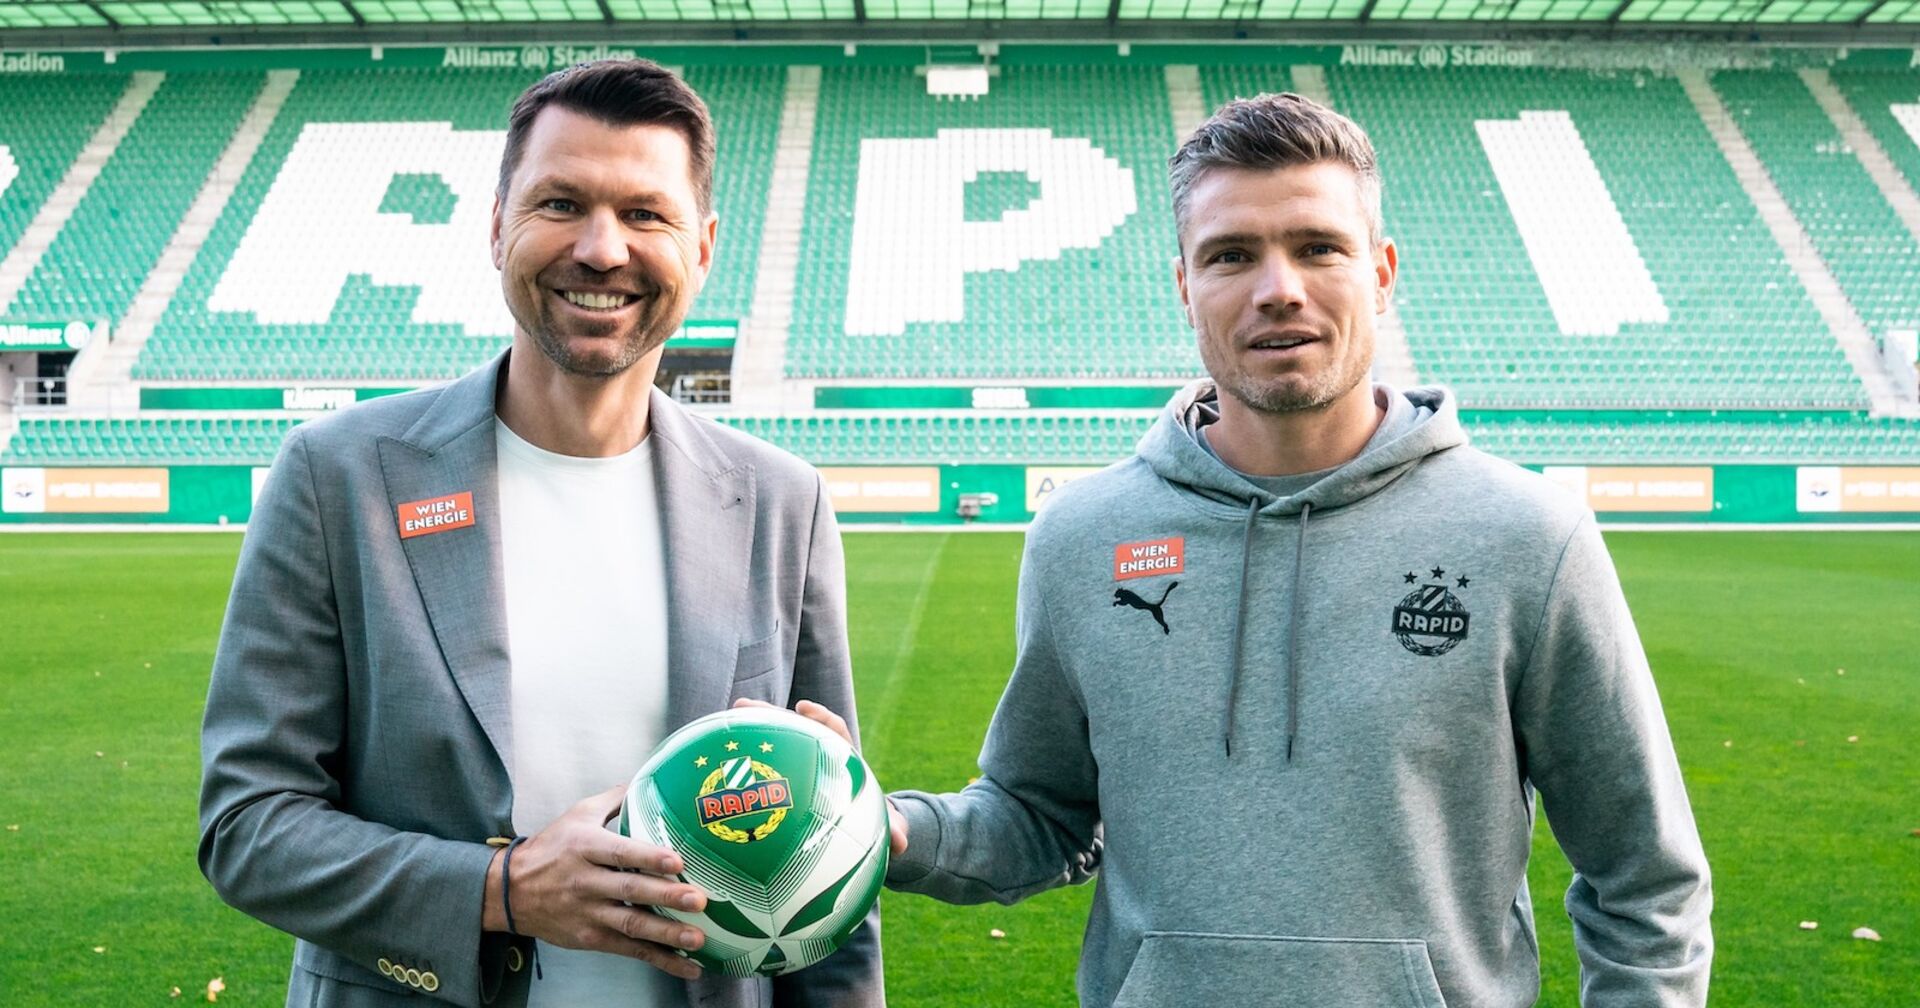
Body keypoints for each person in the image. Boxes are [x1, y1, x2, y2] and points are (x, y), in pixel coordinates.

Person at [869, 93, 1713, 1006]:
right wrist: (886, 831)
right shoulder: (1082, 538)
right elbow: (1040, 816)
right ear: (1185, 286)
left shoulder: (1529, 537)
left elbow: (1645, 879)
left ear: (1382, 273)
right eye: (1231, 255)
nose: (1280, 287)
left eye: (1319, 247)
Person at [198, 59, 881, 1008]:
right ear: (495, 225)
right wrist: (500, 892)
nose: (602, 250)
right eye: (561, 203)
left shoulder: (779, 501)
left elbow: (833, 867)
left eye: (647, 214)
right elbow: (249, 825)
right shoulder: (337, 476)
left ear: (705, 247)